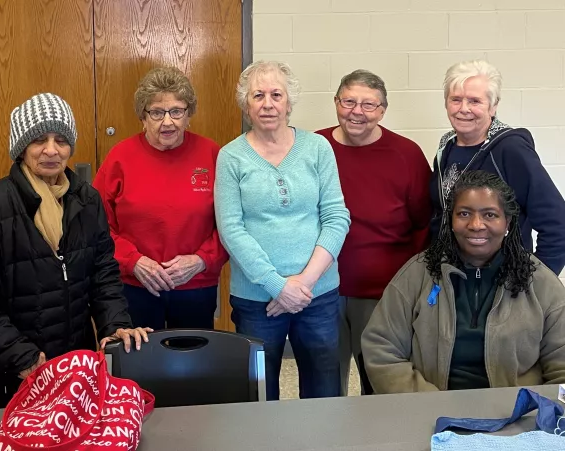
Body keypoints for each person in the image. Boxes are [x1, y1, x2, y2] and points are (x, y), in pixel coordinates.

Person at [0, 93, 151, 413]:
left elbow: (103, 272)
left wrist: (114, 324)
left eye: (61, 140)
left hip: (70, 369)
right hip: (2, 376)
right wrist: (19, 355)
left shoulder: (87, 200)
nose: (52, 150)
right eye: (39, 139)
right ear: (21, 146)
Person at [215, 61, 351, 400]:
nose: (268, 103)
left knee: (324, 392)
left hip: (317, 294)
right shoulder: (231, 157)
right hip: (257, 299)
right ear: (246, 104)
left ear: (290, 102)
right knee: (259, 394)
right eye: (257, 95)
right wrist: (277, 286)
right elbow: (231, 229)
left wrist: (301, 285)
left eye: (277, 94)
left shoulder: (317, 148)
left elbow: (336, 217)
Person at [363, 171, 565, 394]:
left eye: (490, 215)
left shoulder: (540, 282)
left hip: (514, 415)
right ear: (451, 220)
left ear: (507, 222)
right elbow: (381, 348)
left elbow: (561, 366)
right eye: (464, 213)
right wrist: (426, 404)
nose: (476, 225)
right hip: (429, 410)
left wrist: (534, 411)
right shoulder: (417, 273)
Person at [316, 70, 432, 395]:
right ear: (336, 103)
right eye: (349, 101)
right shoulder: (312, 147)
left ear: (382, 110)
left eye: (369, 104)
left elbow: (425, 224)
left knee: (380, 384)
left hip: (383, 293)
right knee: (324, 383)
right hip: (322, 289)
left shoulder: (406, 154)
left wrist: (411, 287)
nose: (357, 111)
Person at [94, 67, 228, 330]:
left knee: (193, 364)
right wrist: (134, 262)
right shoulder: (120, 158)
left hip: (196, 285)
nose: (167, 122)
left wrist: (201, 260)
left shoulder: (212, 154)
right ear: (143, 117)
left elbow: (231, 223)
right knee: (138, 367)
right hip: (135, 285)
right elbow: (97, 226)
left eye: (176, 111)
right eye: (156, 112)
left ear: (189, 114)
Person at [429, 59, 565, 275]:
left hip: (501, 282)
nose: (463, 109)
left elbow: (558, 223)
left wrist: (536, 285)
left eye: (475, 101)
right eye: (456, 99)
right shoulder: (446, 146)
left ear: (493, 106)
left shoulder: (511, 149)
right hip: (452, 277)